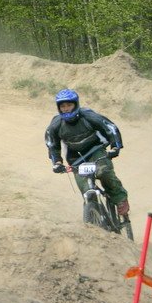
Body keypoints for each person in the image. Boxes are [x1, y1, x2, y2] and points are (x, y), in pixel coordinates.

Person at [44, 88, 130, 218]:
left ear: (76, 104)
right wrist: (57, 163)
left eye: (69, 105)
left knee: (104, 172)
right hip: (75, 158)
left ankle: (120, 198)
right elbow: (52, 145)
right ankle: (92, 214)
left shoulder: (89, 116)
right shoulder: (55, 125)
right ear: (59, 108)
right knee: (85, 189)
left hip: (96, 150)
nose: (66, 109)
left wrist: (115, 147)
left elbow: (110, 128)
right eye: (63, 106)